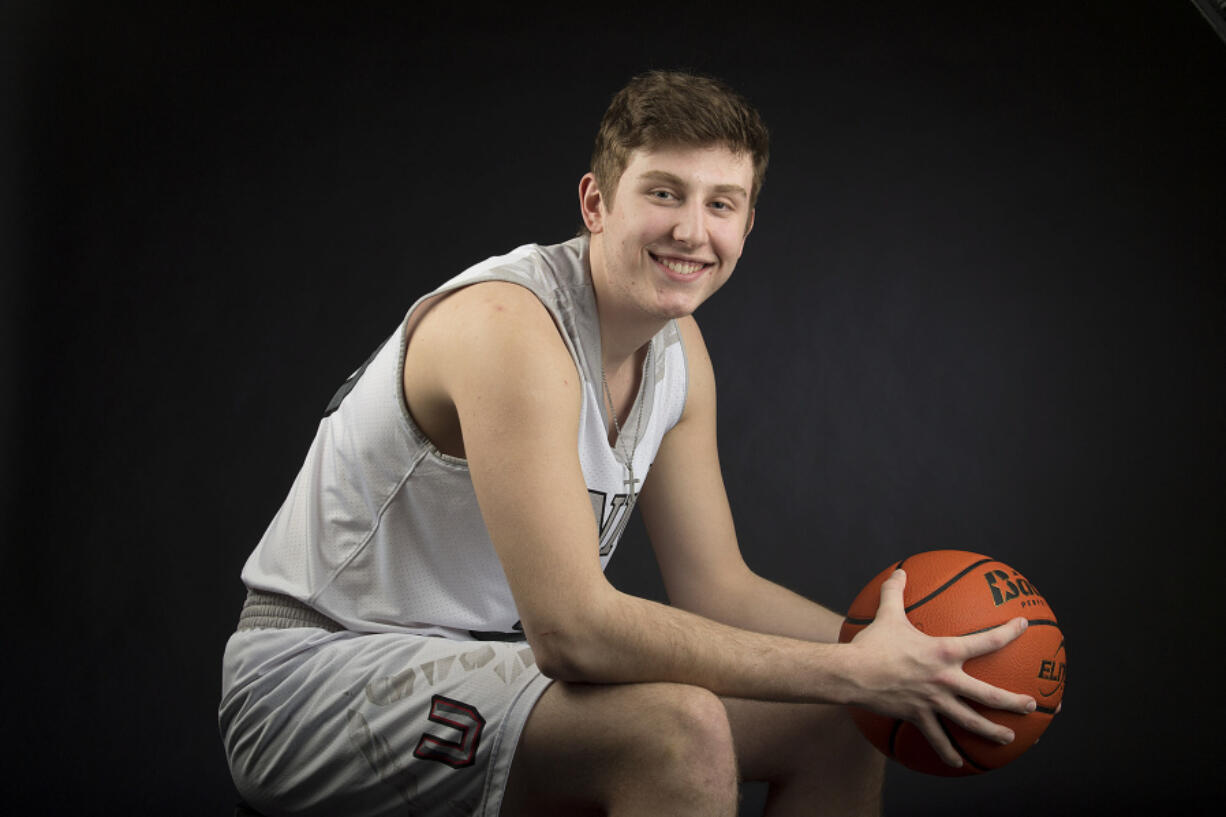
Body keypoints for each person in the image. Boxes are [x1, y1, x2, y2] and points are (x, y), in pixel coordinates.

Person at [219, 70, 1037, 817]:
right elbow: (573, 630)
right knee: (675, 729)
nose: (691, 229)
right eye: (663, 193)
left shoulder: (678, 356)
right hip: (310, 672)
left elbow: (718, 586)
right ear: (596, 202)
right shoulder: (509, 329)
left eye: (721, 203)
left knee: (835, 722)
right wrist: (854, 670)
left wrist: (912, 661)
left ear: (749, 222)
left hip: (472, 668)